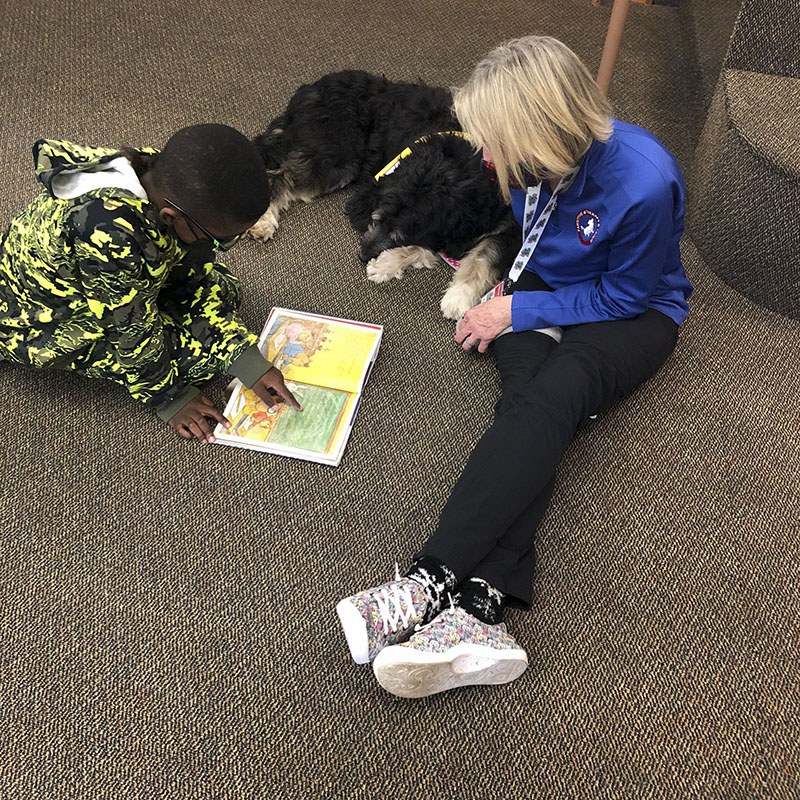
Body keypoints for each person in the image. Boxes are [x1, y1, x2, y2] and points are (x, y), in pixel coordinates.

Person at [336, 36, 693, 698]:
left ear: (542, 134)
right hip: (534, 290)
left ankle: (426, 583)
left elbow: (626, 295)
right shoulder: (525, 167)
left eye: (497, 144)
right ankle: (479, 611)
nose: (487, 159)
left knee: (553, 397)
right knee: (531, 407)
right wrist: (510, 295)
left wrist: (514, 311)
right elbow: (525, 241)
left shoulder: (644, 182)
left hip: (630, 315)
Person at [0, 124, 301, 442]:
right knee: (200, 364)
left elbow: (191, 279)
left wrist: (244, 358)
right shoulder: (110, 237)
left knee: (225, 290)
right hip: (39, 322)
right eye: (222, 240)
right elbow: (131, 332)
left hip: (111, 282)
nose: (225, 246)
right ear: (171, 217)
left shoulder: (163, 176)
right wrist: (170, 398)